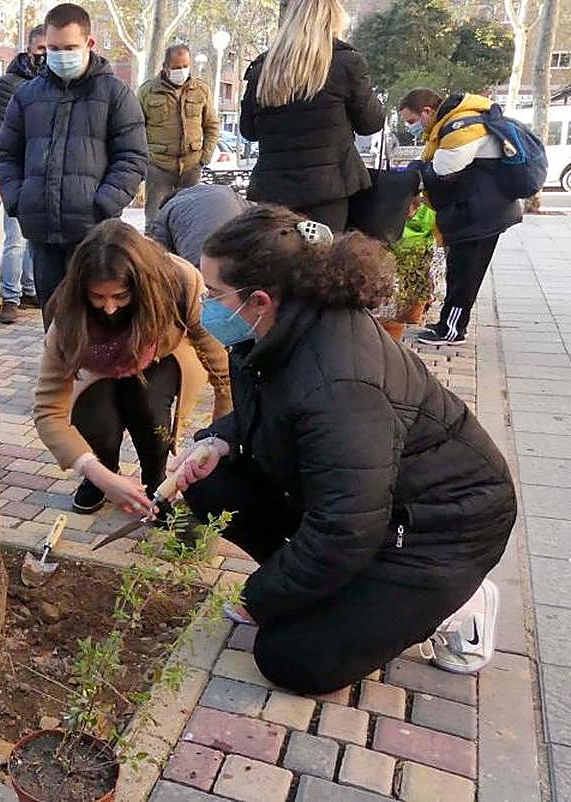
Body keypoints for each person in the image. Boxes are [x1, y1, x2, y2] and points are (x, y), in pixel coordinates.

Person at [171, 205, 515, 694]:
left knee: (290, 658)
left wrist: (260, 596)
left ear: (261, 299)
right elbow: (267, 411)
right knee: (211, 484)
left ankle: (458, 600)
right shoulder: (268, 331)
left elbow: (345, 529)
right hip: (370, 504)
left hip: (438, 530)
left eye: (213, 293)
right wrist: (220, 440)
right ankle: (337, 592)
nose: (206, 304)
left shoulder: (341, 385)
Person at [33, 220, 231, 515]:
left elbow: (221, 367)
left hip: (161, 355)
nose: (110, 308)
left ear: (142, 287)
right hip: (97, 369)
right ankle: (104, 475)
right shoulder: (68, 318)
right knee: (96, 420)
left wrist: (218, 439)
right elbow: (48, 411)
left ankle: (156, 481)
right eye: (98, 297)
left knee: (149, 409)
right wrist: (100, 474)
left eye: (121, 296)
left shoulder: (179, 282)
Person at [0, 2, 148, 325]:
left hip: (93, 236)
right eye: (53, 48)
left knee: (98, 324)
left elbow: (132, 157)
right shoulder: (26, 96)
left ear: (89, 44)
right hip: (42, 233)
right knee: (54, 325)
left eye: (69, 47)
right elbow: (7, 154)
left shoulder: (116, 94)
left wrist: (103, 204)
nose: (60, 55)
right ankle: (58, 376)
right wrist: (19, 201)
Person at [239, 0, 383, 231]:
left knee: (277, 260)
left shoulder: (263, 69)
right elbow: (371, 123)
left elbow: (248, 131)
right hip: (329, 188)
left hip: (273, 190)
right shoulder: (346, 63)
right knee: (324, 260)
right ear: (333, 19)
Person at [398, 88, 522, 346]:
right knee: (459, 270)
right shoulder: (450, 124)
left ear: (427, 112)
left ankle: (452, 330)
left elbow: (442, 171)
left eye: (411, 121)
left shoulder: (460, 127)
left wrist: (415, 176)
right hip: (477, 209)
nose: (411, 127)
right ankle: (448, 323)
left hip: (481, 214)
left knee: (465, 273)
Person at [0, 25, 46, 324]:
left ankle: (30, 289)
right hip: (15, 173)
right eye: (41, 51)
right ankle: (10, 298)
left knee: (35, 237)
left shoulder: (56, 85)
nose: (46, 57)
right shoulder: (9, 84)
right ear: (29, 49)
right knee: (15, 238)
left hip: (42, 172)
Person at [138, 43, 220, 233]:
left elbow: (212, 125)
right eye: (176, 67)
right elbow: (136, 129)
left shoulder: (201, 90)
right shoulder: (147, 92)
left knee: (188, 221)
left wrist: (204, 158)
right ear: (165, 67)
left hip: (191, 168)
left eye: (185, 66)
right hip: (159, 168)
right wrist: (145, 161)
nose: (181, 71)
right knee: (155, 223)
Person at [149, 183, 251, 267]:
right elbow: (254, 212)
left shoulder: (168, 207)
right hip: (239, 257)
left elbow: (158, 252)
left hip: (199, 263)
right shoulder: (226, 191)